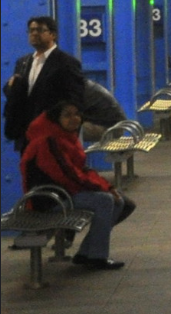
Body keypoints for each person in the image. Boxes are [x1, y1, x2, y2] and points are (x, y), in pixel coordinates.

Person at [20, 98, 127, 270]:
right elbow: (67, 175)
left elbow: (81, 170)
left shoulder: (65, 137)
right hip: (48, 199)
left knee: (117, 200)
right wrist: (103, 190)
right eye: (67, 115)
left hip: (64, 193)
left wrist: (108, 187)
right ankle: (96, 256)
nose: (74, 119)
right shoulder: (48, 141)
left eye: (77, 114)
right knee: (105, 200)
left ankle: (87, 254)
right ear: (56, 119)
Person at [6, 15, 86, 153]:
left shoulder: (66, 63)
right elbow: (16, 94)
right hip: (26, 134)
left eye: (40, 30)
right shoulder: (23, 62)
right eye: (31, 30)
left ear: (52, 34)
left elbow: (76, 100)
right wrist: (10, 87)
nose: (34, 33)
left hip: (52, 135)